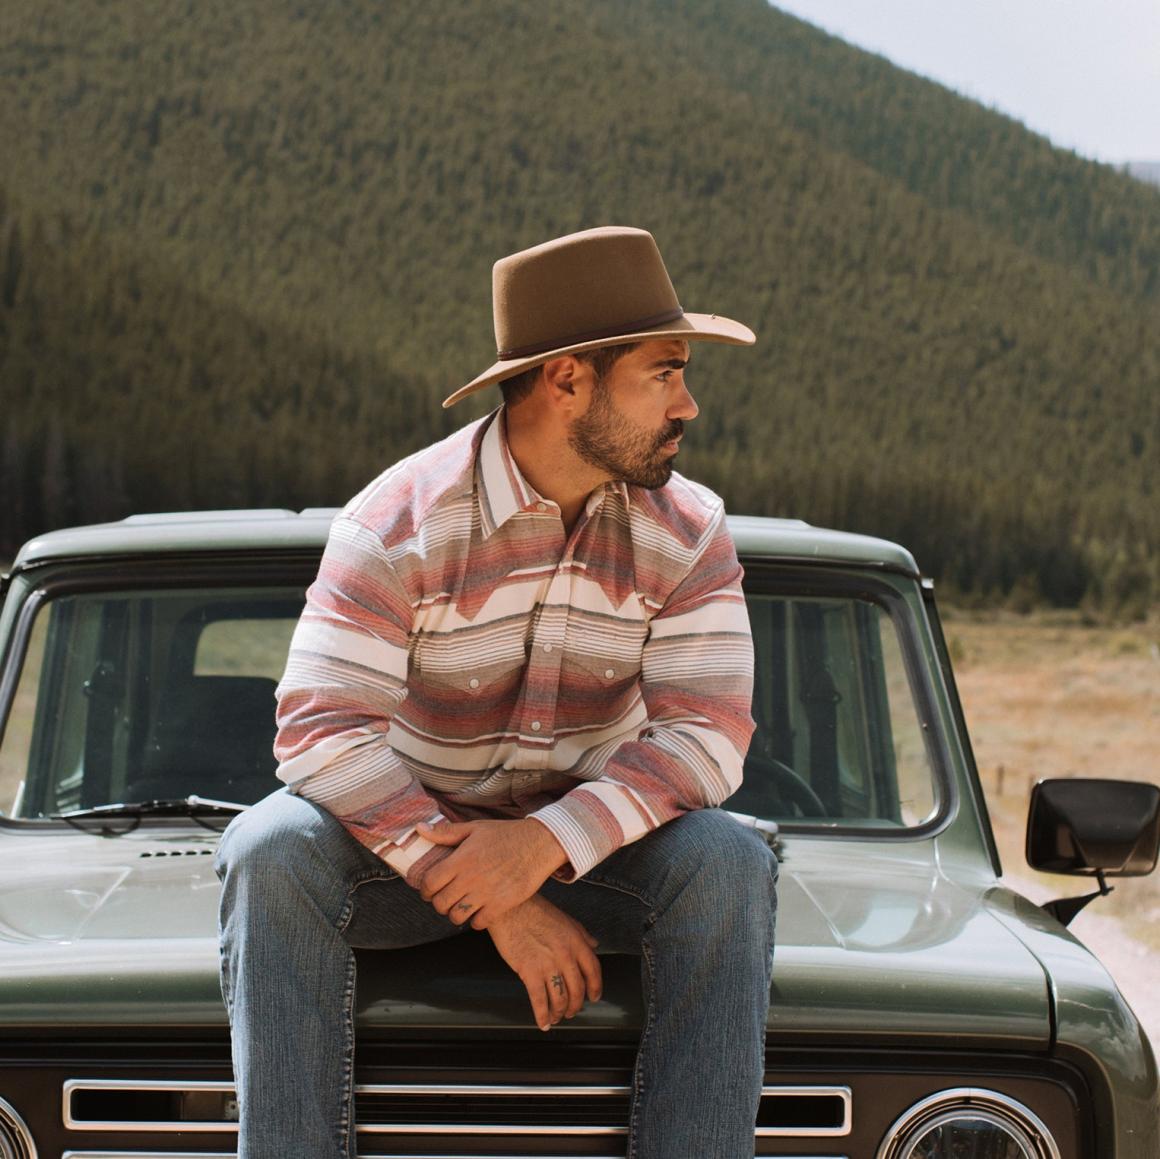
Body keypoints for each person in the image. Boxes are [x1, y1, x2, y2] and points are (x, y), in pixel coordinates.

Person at [215, 225, 778, 1158]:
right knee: (269, 847)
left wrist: (542, 847)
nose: (690, 404)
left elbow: (706, 735)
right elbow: (319, 733)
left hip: (598, 862)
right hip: (396, 858)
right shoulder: (396, 524)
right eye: (664, 372)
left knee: (729, 861)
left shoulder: (690, 532)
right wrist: (499, 898)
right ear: (567, 380)